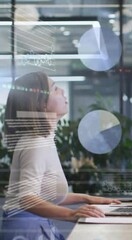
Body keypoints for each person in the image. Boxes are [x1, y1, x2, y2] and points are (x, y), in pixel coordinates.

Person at [1, 72, 120, 240]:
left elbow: (44, 195)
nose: (62, 91)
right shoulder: (36, 142)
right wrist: (71, 214)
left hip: (35, 225)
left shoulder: (43, 138)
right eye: (55, 88)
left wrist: (86, 198)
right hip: (25, 232)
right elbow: (27, 199)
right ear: (40, 104)